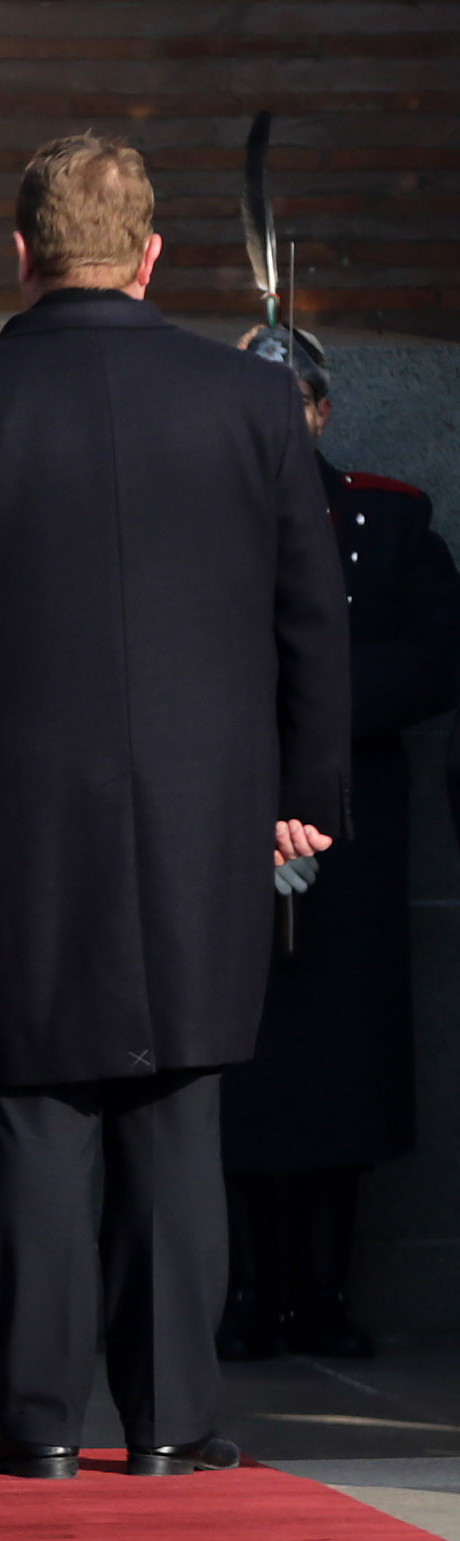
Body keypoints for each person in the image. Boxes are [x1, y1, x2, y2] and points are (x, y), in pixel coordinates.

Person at [0, 134, 350, 1480]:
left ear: (19, 253)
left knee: (35, 1117)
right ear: (150, 255)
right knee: (181, 1112)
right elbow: (311, 615)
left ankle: (40, 1425)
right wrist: (309, 789)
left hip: (22, 831)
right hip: (204, 822)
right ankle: (179, 1423)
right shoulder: (250, 407)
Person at [218, 328, 460, 1361]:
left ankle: (321, 1290)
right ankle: (235, 1291)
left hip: (350, 830)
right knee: (236, 1072)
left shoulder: (389, 519)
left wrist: (312, 717)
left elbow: (439, 653)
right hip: (225, 823)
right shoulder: (192, 519)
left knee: (344, 1069)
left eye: (295, 399)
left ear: (319, 409)